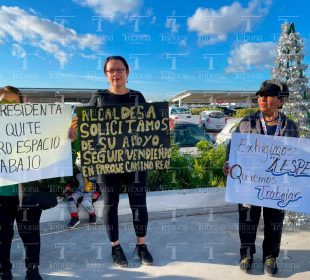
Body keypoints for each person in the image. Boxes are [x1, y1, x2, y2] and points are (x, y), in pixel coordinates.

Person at [74, 55, 154, 267]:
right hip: (107, 162)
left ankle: (141, 245)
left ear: (127, 72)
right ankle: (116, 247)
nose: (116, 73)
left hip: (136, 162)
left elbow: (149, 125)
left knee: (139, 204)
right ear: (106, 74)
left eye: (120, 69)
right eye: (111, 70)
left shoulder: (138, 96)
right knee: (110, 204)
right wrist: (74, 132)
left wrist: (163, 125)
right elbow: (85, 128)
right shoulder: (98, 98)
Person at [223, 80, 299, 276]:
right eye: (260, 95)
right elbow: (233, 148)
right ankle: (246, 254)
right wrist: (228, 164)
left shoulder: (290, 126)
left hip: (277, 185)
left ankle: (270, 256)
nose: (262, 99)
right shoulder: (247, 123)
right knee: (248, 220)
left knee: (274, 222)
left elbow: (296, 156)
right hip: (248, 183)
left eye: (268, 95)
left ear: (281, 101)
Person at [0, 86, 43, 280]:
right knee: (2, 237)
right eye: (3, 102)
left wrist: (65, 137)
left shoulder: (33, 125)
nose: (8, 107)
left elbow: (51, 145)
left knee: (31, 234)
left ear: (21, 104)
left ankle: (32, 270)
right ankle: (4, 271)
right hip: (1, 194)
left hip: (29, 191)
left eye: (13, 103)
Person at [66, 152, 100, 229]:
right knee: (70, 199)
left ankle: (92, 215)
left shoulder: (94, 172)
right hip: (80, 191)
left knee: (86, 203)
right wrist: (68, 187)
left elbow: (100, 184)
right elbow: (70, 180)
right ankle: (75, 218)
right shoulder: (77, 173)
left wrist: (97, 193)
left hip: (91, 191)